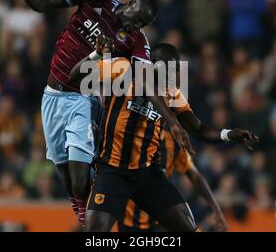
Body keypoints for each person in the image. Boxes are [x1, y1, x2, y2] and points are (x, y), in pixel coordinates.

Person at [7, 0, 191, 227]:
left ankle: (108, 197)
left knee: (81, 180)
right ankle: (93, 208)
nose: (136, 27)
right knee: (71, 183)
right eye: (137, 20)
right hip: (51, 97)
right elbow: (44, 3)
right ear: (130, 3)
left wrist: (172, 121)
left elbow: (147, 81)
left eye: (142, 25)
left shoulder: (137, 42)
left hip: (84, 99)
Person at [69, 42, 259, 231]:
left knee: (189, 228)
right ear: (152, 63)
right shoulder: (122, 70)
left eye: (175, 71)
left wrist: (230, 134)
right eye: (168, 69)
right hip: (113, 171)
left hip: (148, 173)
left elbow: (200, 130)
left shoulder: (171, 93)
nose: (171, 76)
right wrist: (96, 54)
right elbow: (75, 75)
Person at [119, 123, 228, 232]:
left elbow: (195, 176)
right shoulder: (132, 138)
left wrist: (216, 208)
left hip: (160, 220)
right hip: (128, 219)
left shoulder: (174, 142)